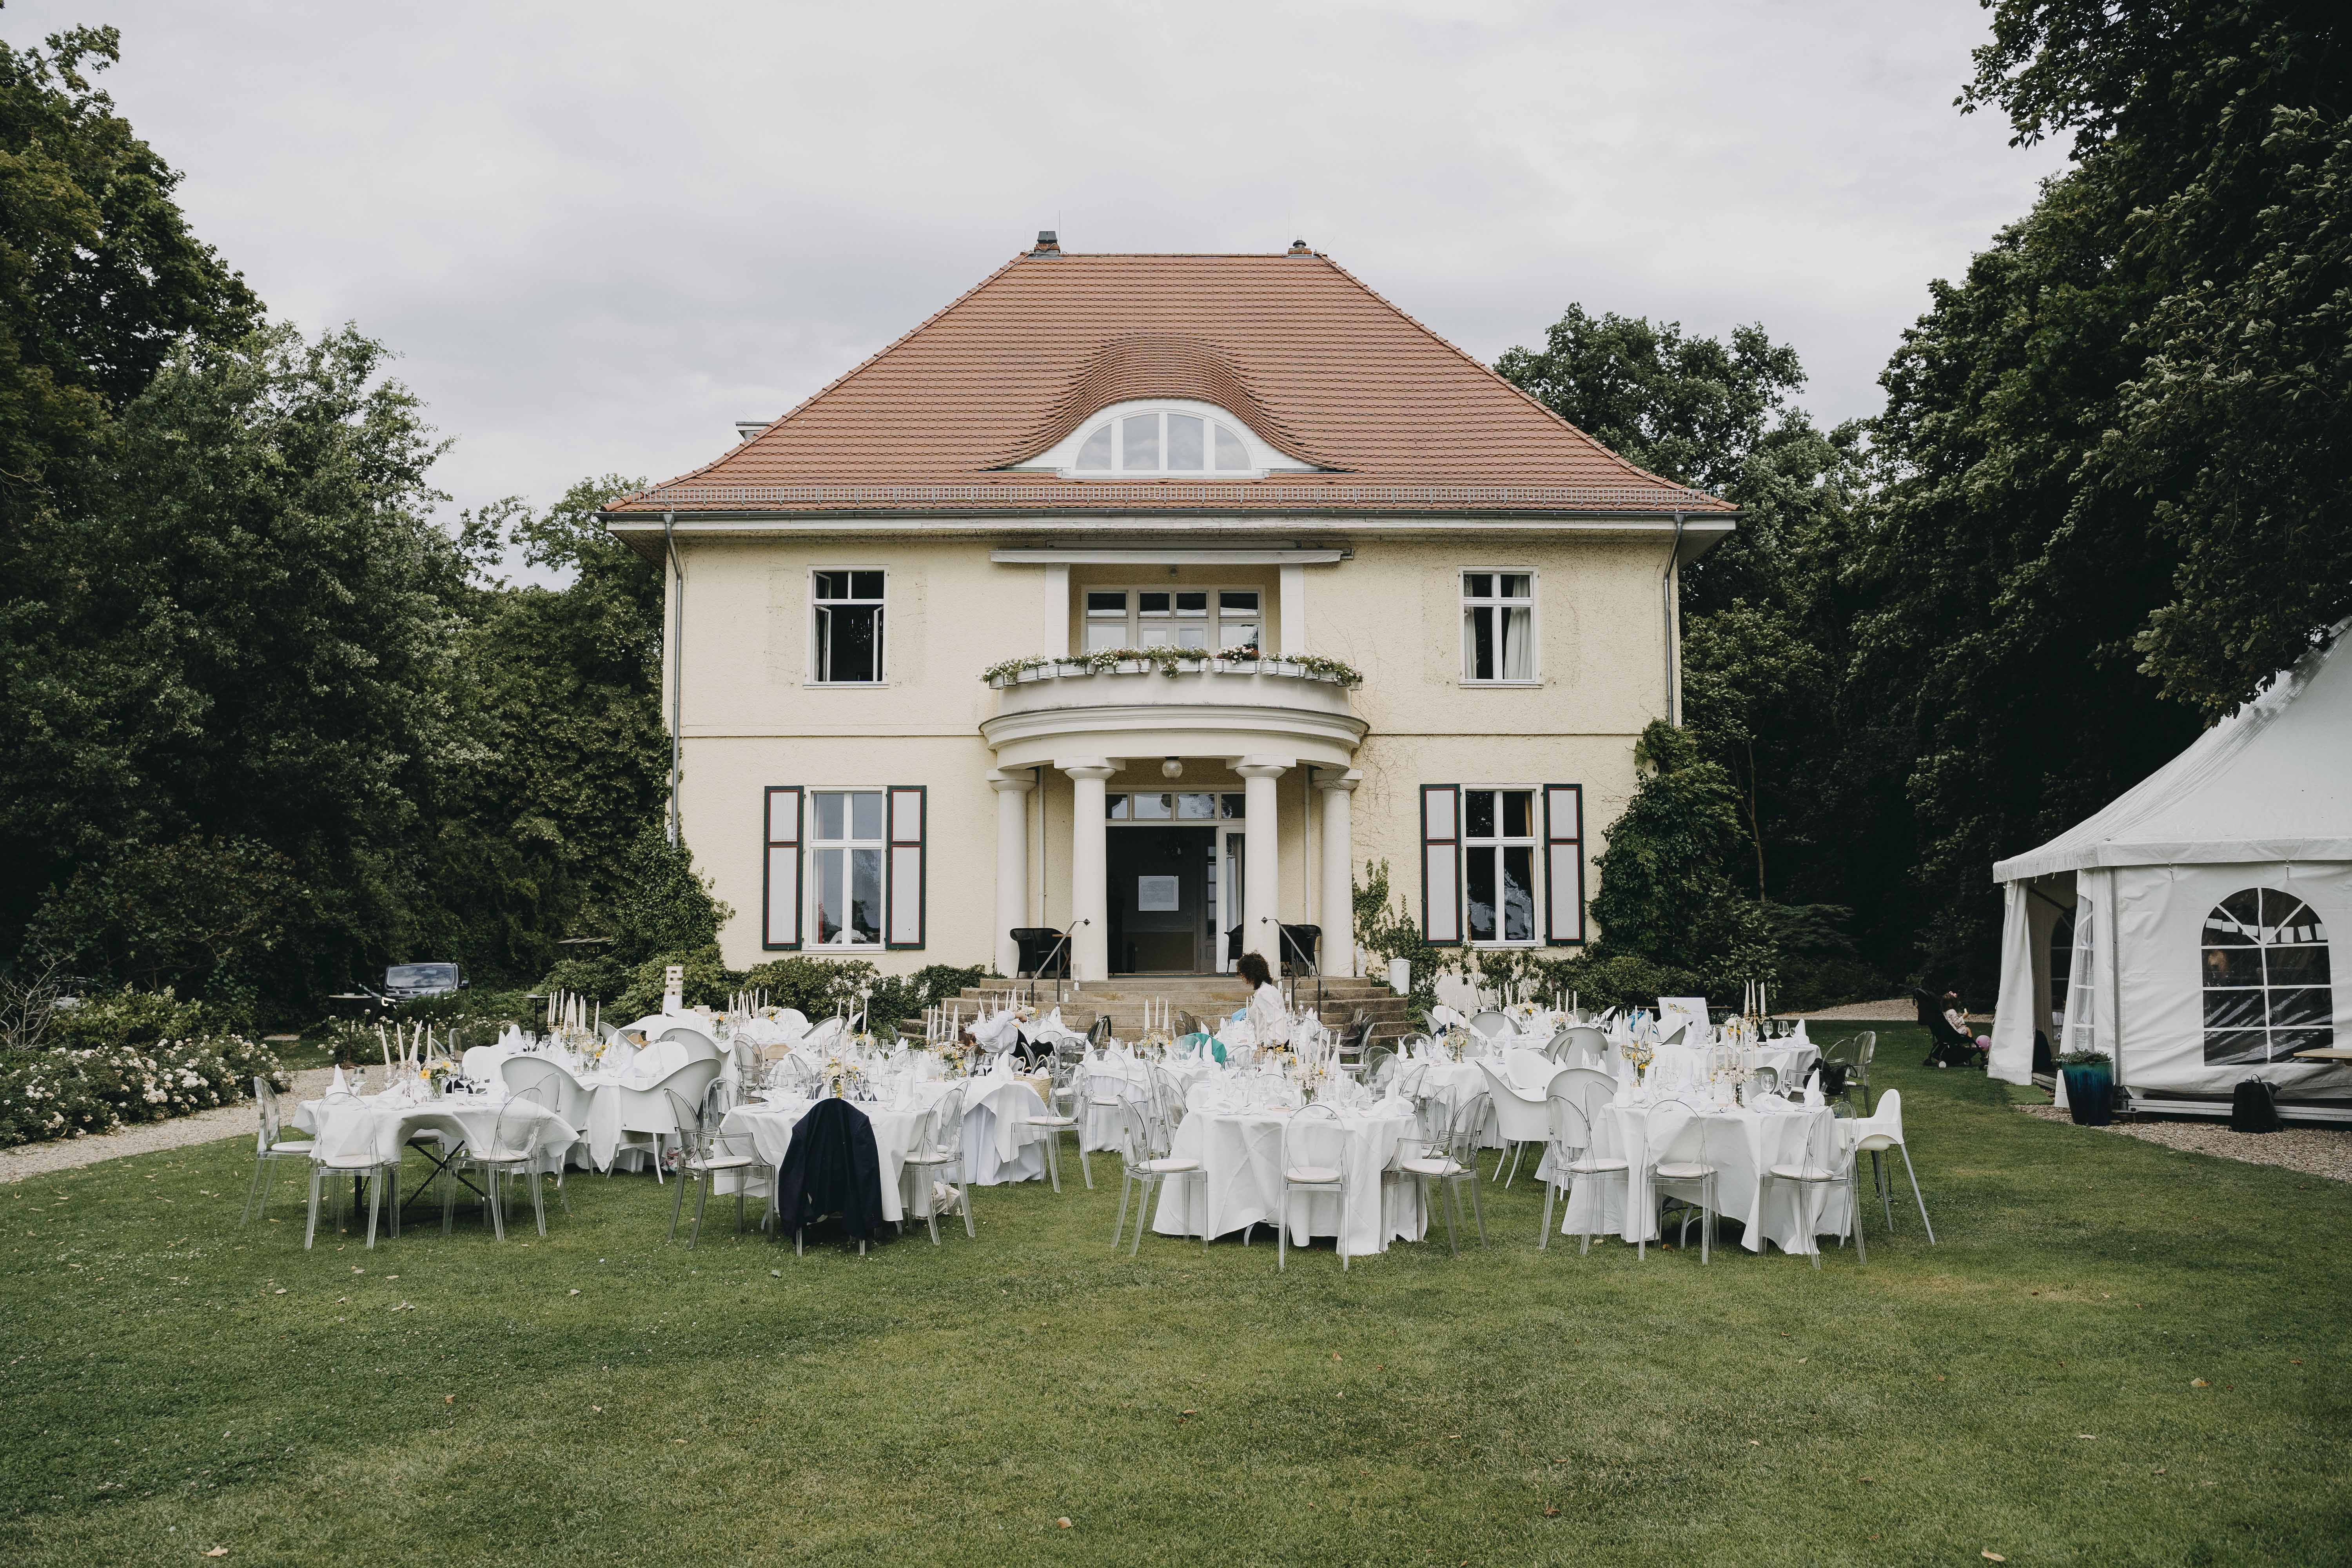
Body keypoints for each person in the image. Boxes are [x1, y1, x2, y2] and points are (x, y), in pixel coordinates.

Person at [1237, 951, 1292, 1049]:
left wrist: (1265, 1046)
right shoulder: (1267, 989)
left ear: (1251, 973)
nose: (1242, 977)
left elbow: (1278, 1022)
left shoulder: (1264, 993)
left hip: (1272, 1046)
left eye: (1243, 974)